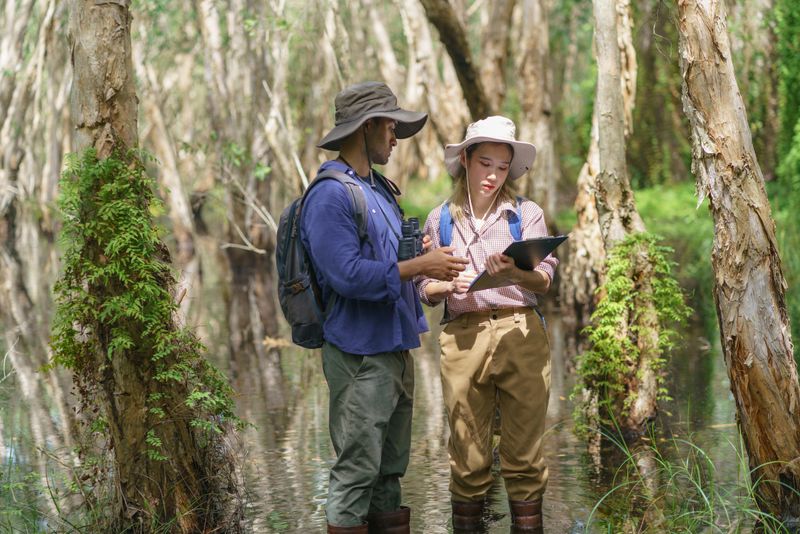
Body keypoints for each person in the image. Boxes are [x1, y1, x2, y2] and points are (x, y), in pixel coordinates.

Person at [300, 81, 469, 533]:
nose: (396, 137)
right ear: (367, 127)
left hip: (394, 348)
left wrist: (424, 260)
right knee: (357, 471)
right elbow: (347, 275)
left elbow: (394, 266)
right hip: (358, 354)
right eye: (391, 126)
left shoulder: (380, 191)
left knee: (389, 473)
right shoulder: (330, 194)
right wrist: (418, 265)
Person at [414, 116, 558, 533]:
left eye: (501, 166)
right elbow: (423, 287)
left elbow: (544, 280)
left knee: (525, 458)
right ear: (466, 160)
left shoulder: (526, 215)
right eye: (485, 163)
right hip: (462, 338)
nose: (493, 175)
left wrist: (515, 274)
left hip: (521, 332)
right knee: (468, 458)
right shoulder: (440, 219)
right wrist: (445, 285)